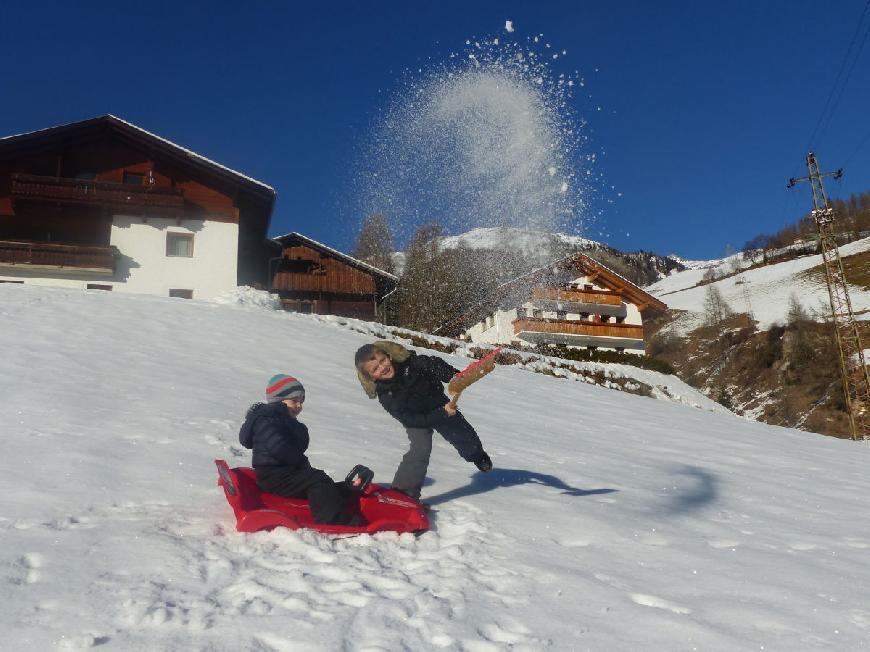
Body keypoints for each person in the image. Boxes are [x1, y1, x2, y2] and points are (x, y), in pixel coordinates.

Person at [354, 341, 492, 500]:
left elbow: (434, 365)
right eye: (375, 369)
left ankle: (477, 456)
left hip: (438, 403)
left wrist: (453, 376)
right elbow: (411, 419)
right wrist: (442, 414)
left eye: (382, 361)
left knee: (463, 434)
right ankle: (404, 492)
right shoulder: (387, 396)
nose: (382, 367)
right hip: (416, 420)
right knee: (420, 448)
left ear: (389, 356)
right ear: (371, 377)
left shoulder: (412, 363)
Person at [238, 374, 363, 526]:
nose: (299, 405)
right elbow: (278, 447)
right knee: (316, 479)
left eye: (301, 401)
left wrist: (297, 429)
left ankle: (340, 495)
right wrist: (300, 460)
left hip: (280, 473)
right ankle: (332, 520)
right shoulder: (268, 419)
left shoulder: (280, 419)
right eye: (294, 401)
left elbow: (297, 445)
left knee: (318, 479)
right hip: (274, 477)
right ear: (279, 399)